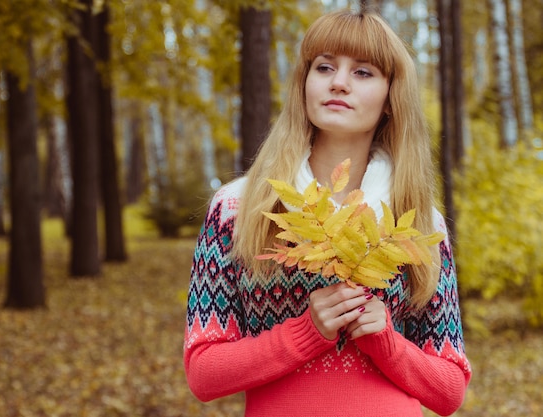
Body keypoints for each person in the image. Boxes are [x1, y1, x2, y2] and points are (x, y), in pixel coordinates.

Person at [183, 9, 471, 417]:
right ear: (304, 83)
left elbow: (450, 391)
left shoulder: (418, 221)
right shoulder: (238, 208)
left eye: (363, 72)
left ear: (390, 99)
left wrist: (385, 341)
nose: (339, 82)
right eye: (325, 67)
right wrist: (306, 332)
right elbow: (204, 373)